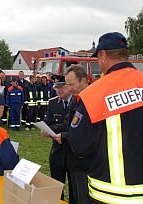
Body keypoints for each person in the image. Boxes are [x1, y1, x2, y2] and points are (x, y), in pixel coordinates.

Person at [69, 32, 143, 204]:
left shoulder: (94, 94)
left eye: (98, 59)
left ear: (103, 55)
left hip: (108, 195)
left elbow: (79, 146)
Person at [55, 65, 90, 204]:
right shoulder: (76, 99)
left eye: (72, 84)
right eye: (67, 84)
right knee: (75, 195)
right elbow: (70, 124)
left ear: (84, 80)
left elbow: (85, 133)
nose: (69, 88)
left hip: (85, 162)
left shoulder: (91, 100)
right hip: (73, 159)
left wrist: (64, 136)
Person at [43, 81, 73, 201]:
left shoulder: (78, 101)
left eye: (62, 88)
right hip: (57, 148)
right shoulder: (53, 102)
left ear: (69, 87)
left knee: (74, 185)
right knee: (56, 183)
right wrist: (46, 129)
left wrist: (54, 128)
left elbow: (72, 126)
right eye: (56, 88)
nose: (59, 91)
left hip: (73, 149)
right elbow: (48, 122)